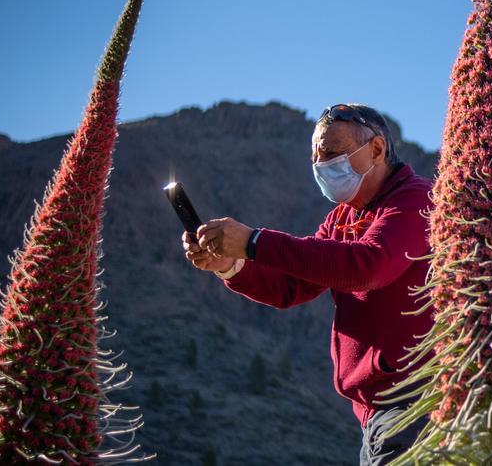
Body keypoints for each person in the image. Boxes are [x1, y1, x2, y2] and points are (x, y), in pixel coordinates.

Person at [181, 103, 435, 464]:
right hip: (375, 415)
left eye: (333, 153)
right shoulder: (342, 219)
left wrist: (254, 242)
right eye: (317, 157)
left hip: (414, 406)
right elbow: (291, 286)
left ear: (376, 149)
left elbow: (368, 266)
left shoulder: (415, 200)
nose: (323, 165)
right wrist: (232, 265)